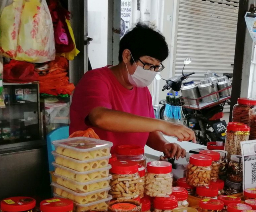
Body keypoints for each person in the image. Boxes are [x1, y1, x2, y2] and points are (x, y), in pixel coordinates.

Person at [70, 23, 194, 159]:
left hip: (129, 173)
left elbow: (148, 130)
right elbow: (100, 118)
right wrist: (164, 125)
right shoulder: (96, 80)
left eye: (156, 67)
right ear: (127, 56)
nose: (151, 72)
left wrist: (164, 144)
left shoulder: (142, 90)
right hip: (94, 171)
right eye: (148, 64)